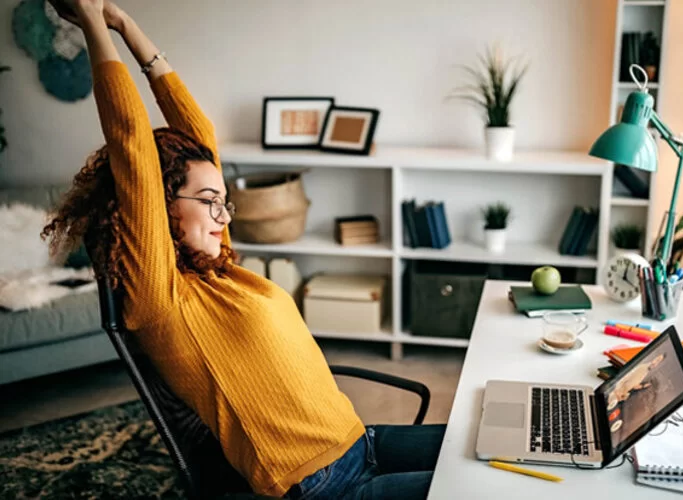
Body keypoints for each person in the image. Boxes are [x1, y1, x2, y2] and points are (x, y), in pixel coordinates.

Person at [41, 1, 444, 498]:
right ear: (161, 207)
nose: (224, 216)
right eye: (210, 203)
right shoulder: (162, 299)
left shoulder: (217, 266)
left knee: (494, 447)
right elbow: (133, 146)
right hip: (322, 486)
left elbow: (202, 140)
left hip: (364, 441)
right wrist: (92, 22)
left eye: (223, 201)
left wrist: (127, 24)